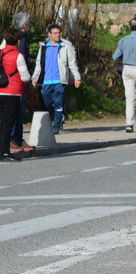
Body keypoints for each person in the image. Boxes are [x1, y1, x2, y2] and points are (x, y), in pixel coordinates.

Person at [32, 24, 81, 135]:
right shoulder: (44, 47)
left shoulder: (65, 46)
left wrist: (76, 78)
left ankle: (57, 125)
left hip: (60, 80)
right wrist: (35, 77)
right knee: (47, 102)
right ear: (49, 34)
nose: (58, 35)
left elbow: (72, 63)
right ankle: (58, 115)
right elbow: (39, 63)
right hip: (46, 80)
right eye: (55, 33)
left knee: (58, 102)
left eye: (59, 33)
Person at [1, 27, 32, 162]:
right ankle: (5, 153)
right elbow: (25, 77)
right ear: (18, 41)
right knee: (7, 124)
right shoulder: (18, 55)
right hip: (12, 92)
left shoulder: (0, 53)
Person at [9, 13, 33, 153]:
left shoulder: (18, 39)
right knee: (16, 110)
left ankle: (17, 138)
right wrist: (29, 67)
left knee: (18, 111)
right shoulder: (20, 40)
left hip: (15, 80)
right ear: (25, 25)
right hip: (16, 81)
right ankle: (13, 138)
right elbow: (20, 59)